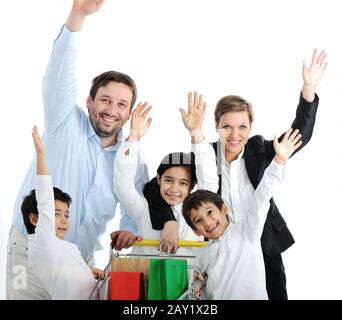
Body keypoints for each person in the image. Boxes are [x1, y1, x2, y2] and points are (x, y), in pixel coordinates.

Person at [145, 49, 328, 299]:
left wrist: (308, 89)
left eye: (242, 127)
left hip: (261, 239)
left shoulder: (261, 149)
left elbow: (300, 135)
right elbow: (155, 187)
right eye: (227, 127)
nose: (234, 135)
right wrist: (169, 222)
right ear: (216, 126)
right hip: (220, 246)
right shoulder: (203, 157)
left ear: (250, 126)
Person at [6, 0, 148, 299]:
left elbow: (134, 206)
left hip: (79, 261)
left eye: (122, 104)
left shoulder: (131, 157)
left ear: (129, 112)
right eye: (105, 100)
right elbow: (58, 78)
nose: (112, 110)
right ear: (89, 102)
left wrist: (127, 230)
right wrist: (77, 16)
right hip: (29, 254)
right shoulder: (64, 123)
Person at [182, 128, 302, 300]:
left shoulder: (246, 231)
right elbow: (196, 282)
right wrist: (198, 283)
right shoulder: (202, 255)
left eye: (210, 212)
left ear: (224, 210)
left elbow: (261, 198)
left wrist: (279, 161)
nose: (208, 222)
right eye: (198, 220)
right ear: (195, 230)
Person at [113, 92, 219, 256]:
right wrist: (133, 137)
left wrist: (196, 132)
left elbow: (209, 178)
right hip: (146, 279)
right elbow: (122, 185)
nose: (174, 189)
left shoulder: (197, 212)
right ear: (158, 179)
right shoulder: (143, 208)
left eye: (183, 183)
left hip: (187, 280)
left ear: (192, 186)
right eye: (169, 180)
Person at [25, 126, 104, 300]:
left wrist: (86, 272)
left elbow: (64, 273)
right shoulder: (40, 243)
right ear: (35, 219)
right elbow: (45, 201)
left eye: (66, 215)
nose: (64, 220)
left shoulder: (69, 247)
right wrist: (41, 156)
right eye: (56, 214)